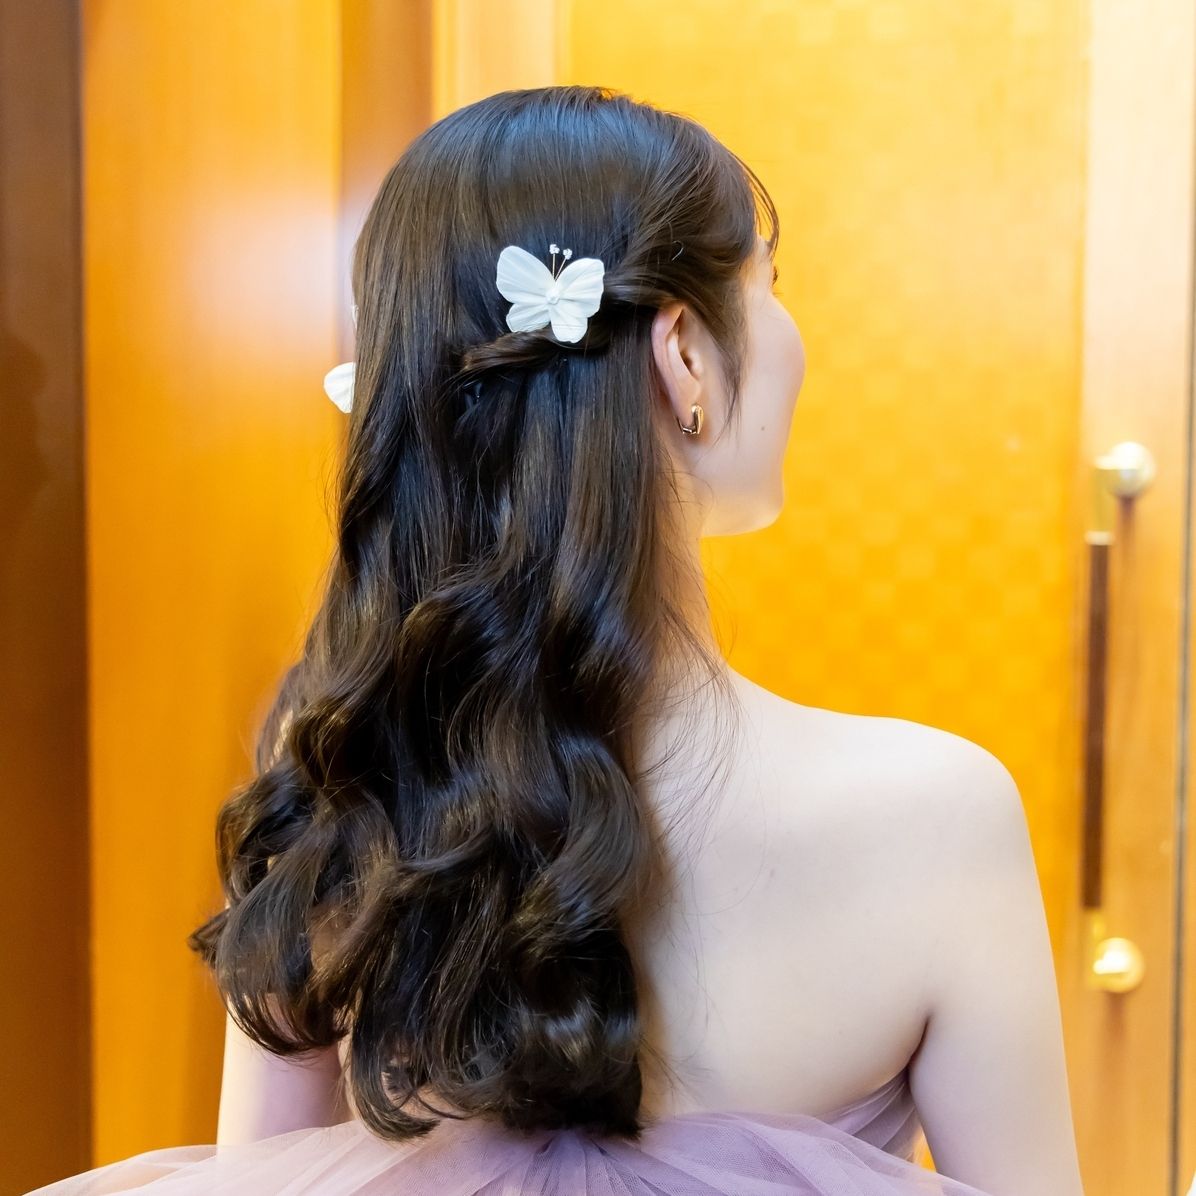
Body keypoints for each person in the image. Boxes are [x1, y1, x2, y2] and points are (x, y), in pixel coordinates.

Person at [28, 84, 1083, 1195]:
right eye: (769, 287)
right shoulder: (939, 816)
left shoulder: (345, 771)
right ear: (683, 356)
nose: (787, 336)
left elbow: (261, 1179)